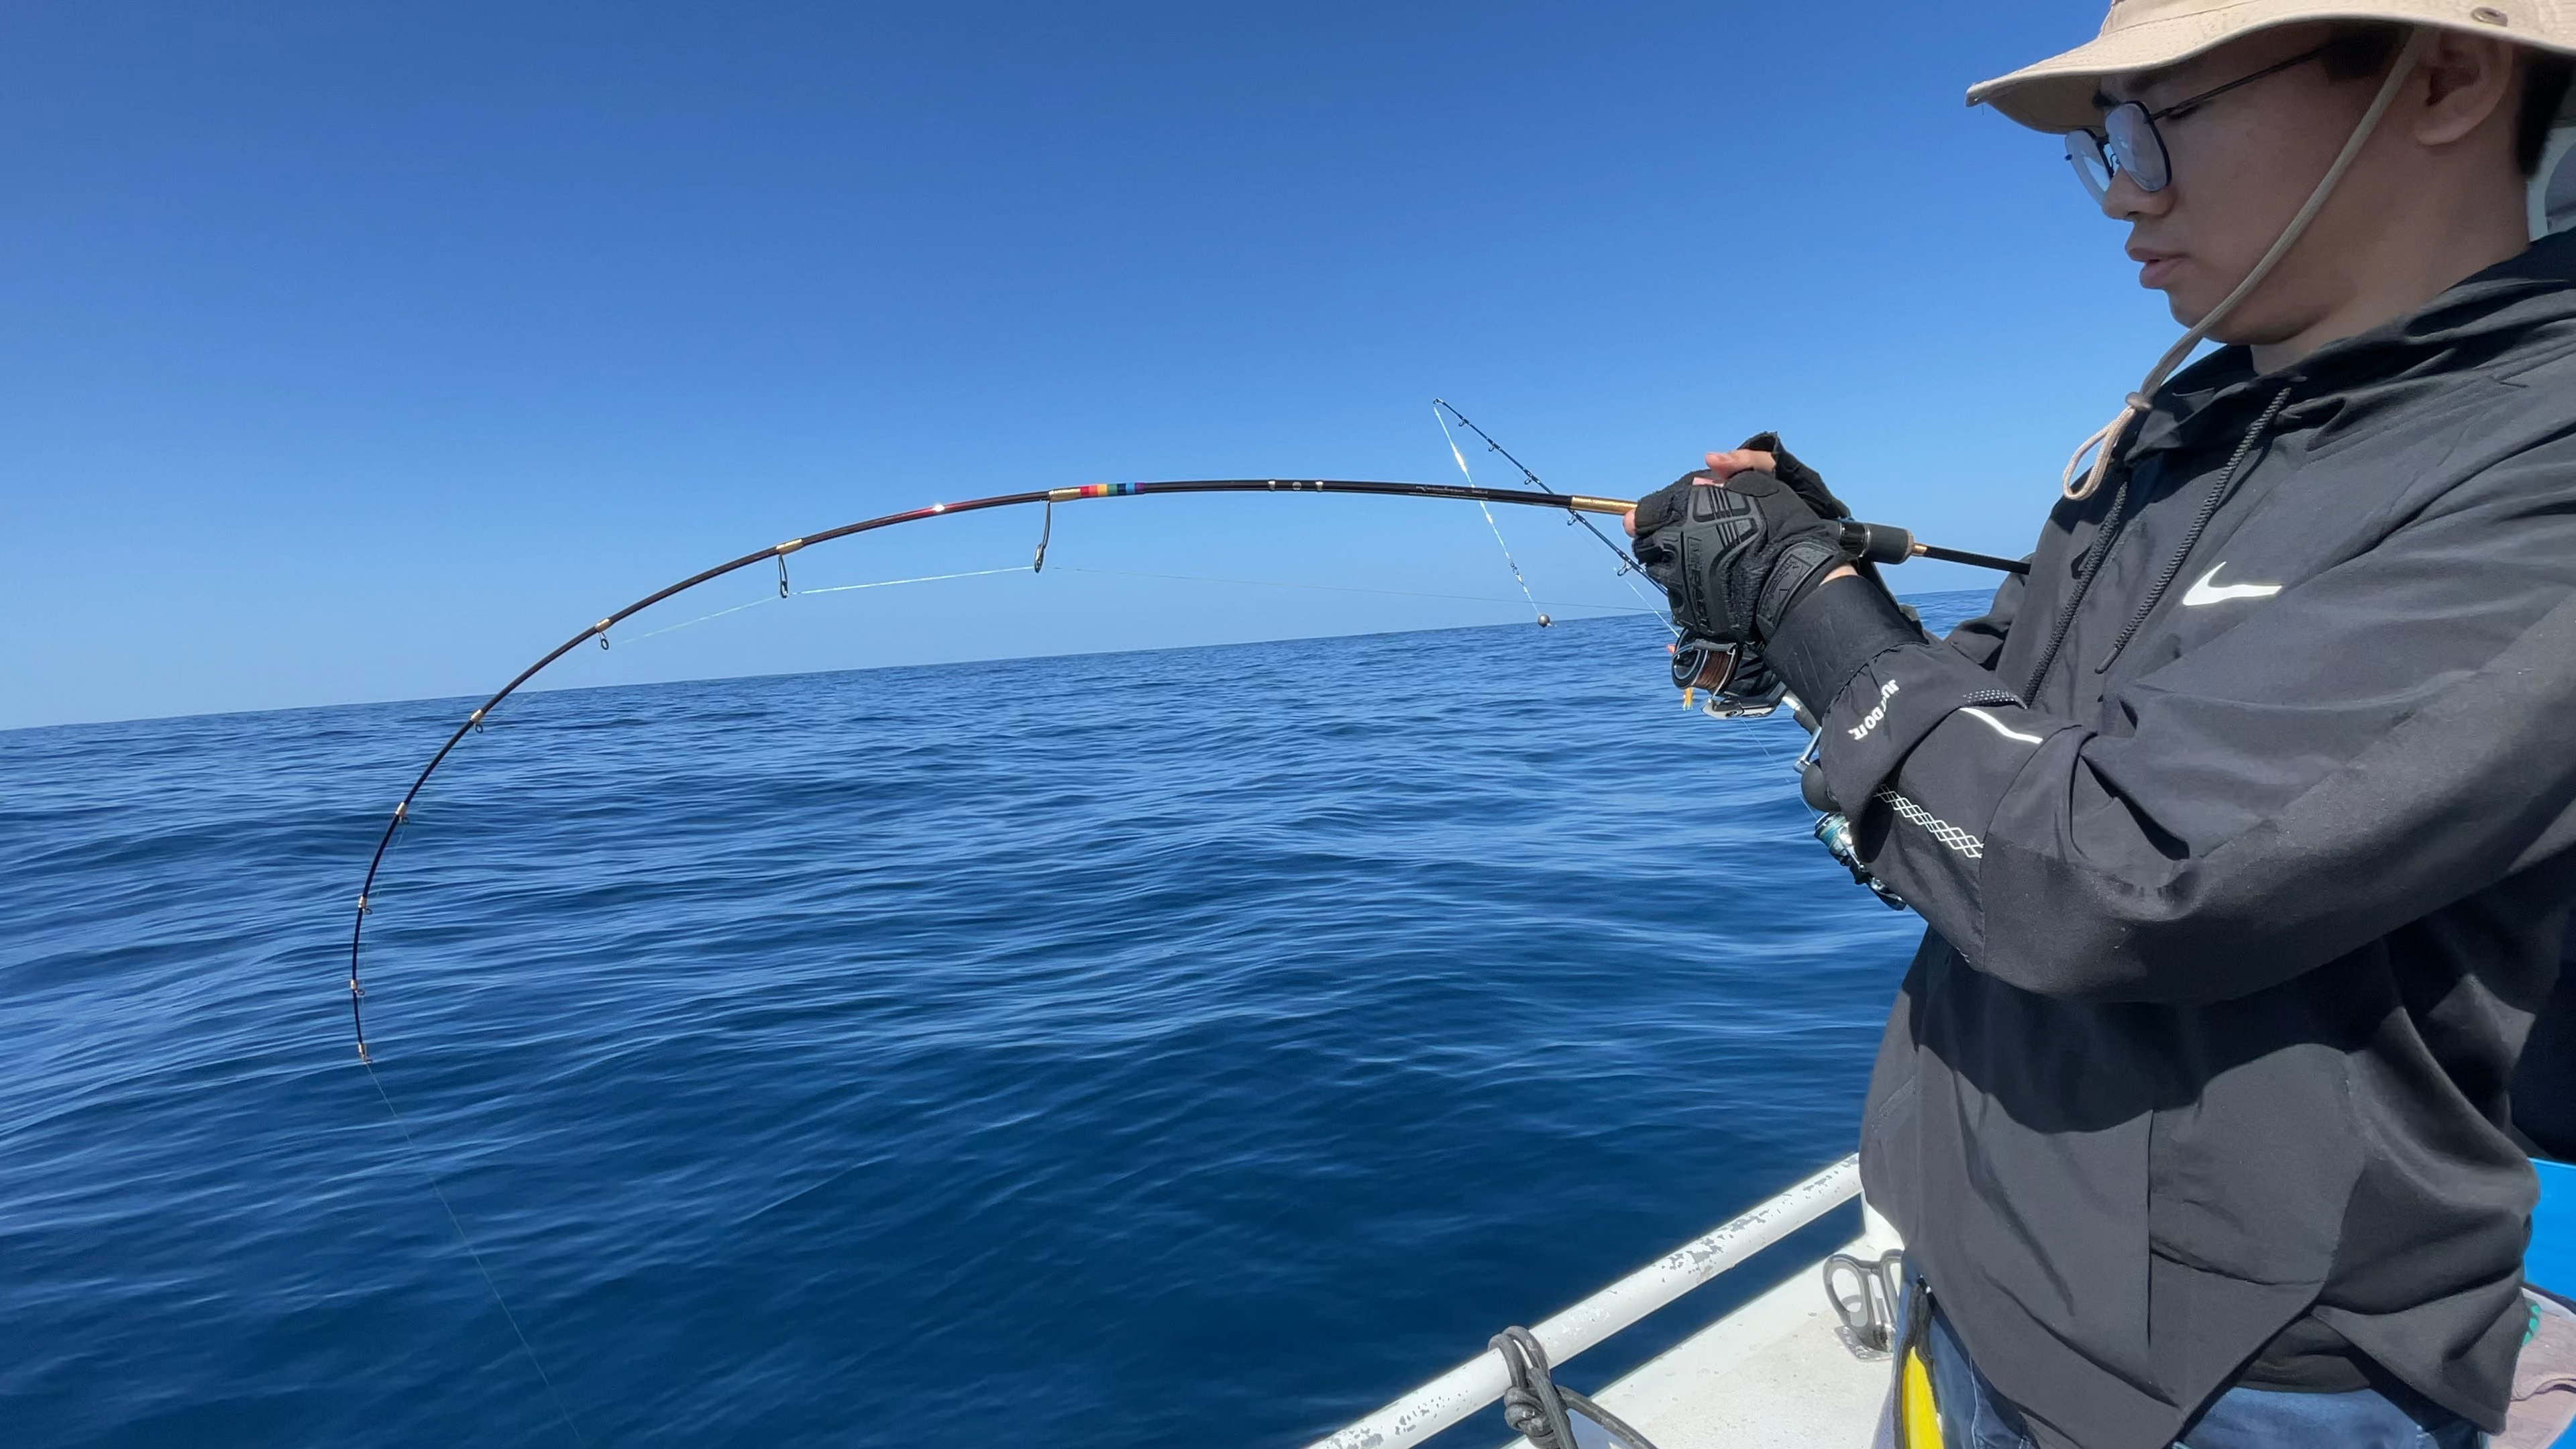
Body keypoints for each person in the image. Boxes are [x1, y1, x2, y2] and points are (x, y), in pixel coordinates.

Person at [1622, 4, 2576, 1447]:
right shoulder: (2184, 437)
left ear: (2441, 78)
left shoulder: (2539, 466)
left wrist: (1808, 600)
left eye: (2155, 126)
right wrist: (1818, 607)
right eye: (2100, 148)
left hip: (2235, 1380)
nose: (2124, 190)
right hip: (1982, 1275)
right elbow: (1990, 732)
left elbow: (2111, 878)